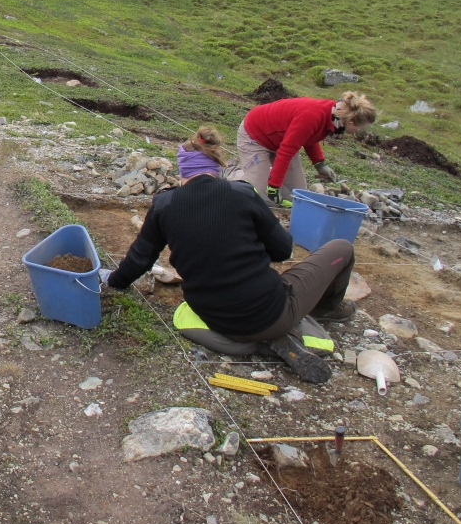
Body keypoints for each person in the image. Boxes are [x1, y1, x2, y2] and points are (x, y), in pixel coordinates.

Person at [101, 126, 356, 384]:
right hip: (269, 310)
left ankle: (264, 343)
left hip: (213, 316)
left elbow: (140, 257)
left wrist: (113, 281)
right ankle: (323, 310)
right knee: (341, 248)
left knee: (217, 312)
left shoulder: (165, 204)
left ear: (183, 171)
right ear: (215, 167)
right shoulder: (242, 193)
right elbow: (283, 250)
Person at [237, 91, 376, 208]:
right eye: (360, 128)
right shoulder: (312, 115)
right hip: (255, 135)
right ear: (350, 122)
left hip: (280, 140)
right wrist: (273, 187)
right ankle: (236, 175)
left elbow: (310, 137)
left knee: (296, 196)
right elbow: (285, 152)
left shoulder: (334, 116)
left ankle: (260, 176)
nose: (358, 131)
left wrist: (320, 164)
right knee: (263, 198)